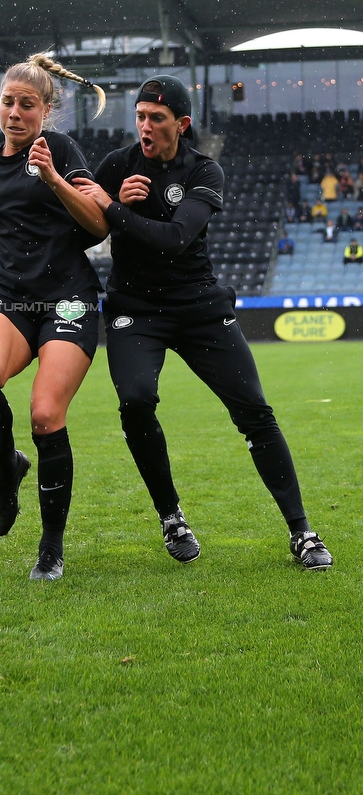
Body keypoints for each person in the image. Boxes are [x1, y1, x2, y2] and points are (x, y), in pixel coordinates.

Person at [75, 74, 332, 571]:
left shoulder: (204, 171)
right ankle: (172, 518)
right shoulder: (114, 166)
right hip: (135, 310)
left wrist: (111, 208)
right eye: (140, 117)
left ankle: (301, 532)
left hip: (199, 307)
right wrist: (107, 209)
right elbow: (80, 235)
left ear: (182, 124)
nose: (145, 127)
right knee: (135, 401)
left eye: (157, 119)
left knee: (255, 410)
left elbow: (175, 238)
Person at [0, 53, 108, 581]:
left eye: (26, 105)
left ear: (46, 109)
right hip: (10, 298)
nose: (14, 112)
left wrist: (54, 179)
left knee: (46, 416)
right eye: (7, 102)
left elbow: (98, 226)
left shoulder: (61, 150)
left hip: (69, 300)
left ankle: (50, 548)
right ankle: (8, 469)